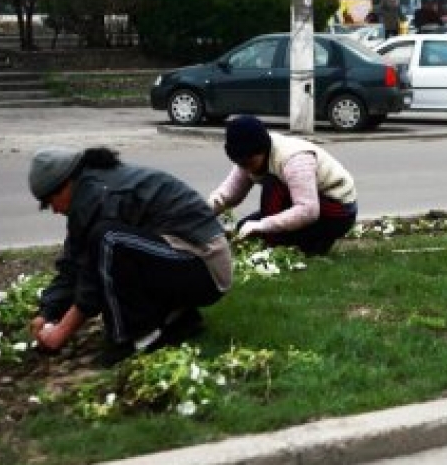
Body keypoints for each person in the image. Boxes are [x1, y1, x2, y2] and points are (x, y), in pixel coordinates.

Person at [28, 146, 233, 365]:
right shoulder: (90, 191)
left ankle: (134, 337)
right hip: (180, 258)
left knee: (109, 241)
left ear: (65, 186)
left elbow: (92, 283)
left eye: (50, 202)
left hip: (205, 266)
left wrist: (61, 332)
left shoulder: (100, 196)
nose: (54, 210)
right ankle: (178, 320)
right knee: (108, 243)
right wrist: (47, 312)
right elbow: (73, 262)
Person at [209, 115, 358, 256]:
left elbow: (308, 210)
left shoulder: (294, 159)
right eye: (240, 164)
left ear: (263, 149)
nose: (246, 169)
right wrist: (204, 213)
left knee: (272, 187)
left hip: (338, 210)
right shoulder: (248, 158)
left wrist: (263, 226)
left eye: (249, 163)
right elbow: (230, 193)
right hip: (311, 205)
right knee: (244, 227)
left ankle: (287, 244)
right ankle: (305, 243)